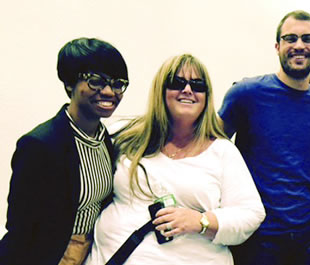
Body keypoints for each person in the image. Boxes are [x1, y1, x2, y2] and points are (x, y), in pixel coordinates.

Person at [84, 54, 265, 265]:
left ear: (207, 97)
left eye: (197, 85)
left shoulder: (222, 152)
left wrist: (201, 221)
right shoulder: (126, 136)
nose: (187, 90)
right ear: (161, 90)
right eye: (177, 83)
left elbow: (251, 214)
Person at [219, 9, 310, 265]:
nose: (299, 45)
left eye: (307, 39)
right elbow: (209, 148)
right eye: (291, 38)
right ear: (277, 46)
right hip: (259, 240)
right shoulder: (246, 94)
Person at [0, 37, 129, 265]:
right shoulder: (40, 145)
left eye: (118, 83)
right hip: (51, 256)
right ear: (70, 84)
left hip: (92, 253)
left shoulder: (104, 140)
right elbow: (20, 228)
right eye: (96, 81)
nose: (109, 91)